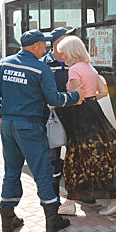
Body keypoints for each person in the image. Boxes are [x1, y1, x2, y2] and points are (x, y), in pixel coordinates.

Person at [0, 29, 84, 232]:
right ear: (35, 47)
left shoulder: (4, 63)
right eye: (43, 45)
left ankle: (8, 218)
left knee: (11, 171)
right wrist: (76, 96)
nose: (46, 48)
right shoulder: (41, 69)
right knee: (42, 172)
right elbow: (54, 100)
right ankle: (52, 220)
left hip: (9, 126)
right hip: (30, 127)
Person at [56, 36, 116, 216]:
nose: (61, 55)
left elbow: (75, 97)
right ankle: (72, 201)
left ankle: (75, 202)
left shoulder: (74, 70)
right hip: (94, 112)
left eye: (63, 52)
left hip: (80, 117)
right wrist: (90, 99)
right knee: (96, 156)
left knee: (79, 157)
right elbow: (102, 92)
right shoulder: (90, 68)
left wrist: (58, 102)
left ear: (70, 52)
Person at [40, 27, 76, 199]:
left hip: (73, 116)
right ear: (58, 43)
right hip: (52, 119)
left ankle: (77, 194)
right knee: (52, 158)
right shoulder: (43, 64)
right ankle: (54, 197)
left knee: (75, 156)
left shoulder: (74, 62)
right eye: (68, 38)